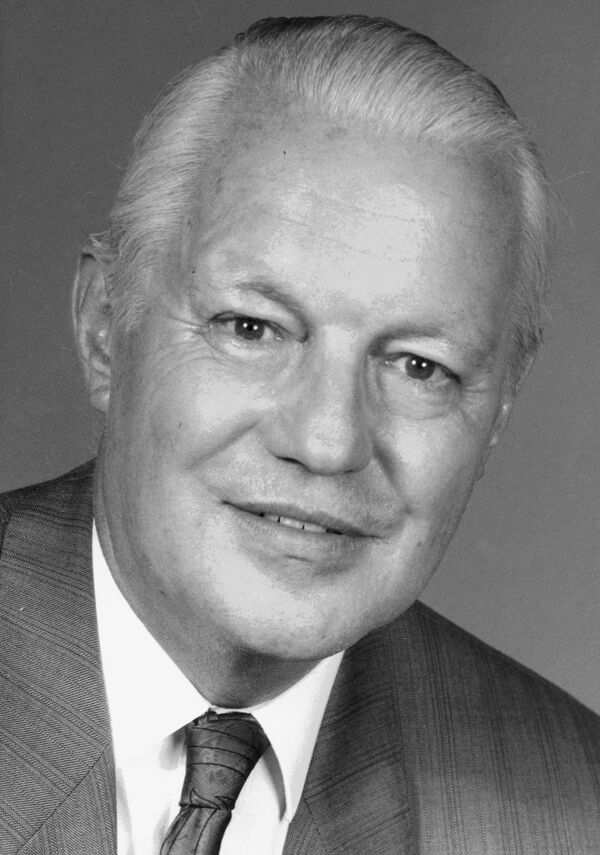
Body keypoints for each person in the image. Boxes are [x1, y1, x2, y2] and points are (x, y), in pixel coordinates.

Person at [1, 14, 599, 855]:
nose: (327, 442)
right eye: (253, 328)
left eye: (419, 366)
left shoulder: (570, 813)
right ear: (105, 328)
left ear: (500, 405)